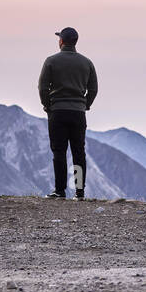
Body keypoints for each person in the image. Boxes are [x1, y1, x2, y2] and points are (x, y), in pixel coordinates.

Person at [38, 27, 98, 199]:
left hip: (57, 112)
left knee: (59, 151)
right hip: (78, 114)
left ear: (61, 41)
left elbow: (43, 87)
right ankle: (79, 192)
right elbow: (93, 89)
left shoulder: (51, 61)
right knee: (78, 152)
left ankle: (60, 190)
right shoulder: (87, 63)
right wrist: (85, 105)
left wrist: (48, 105)